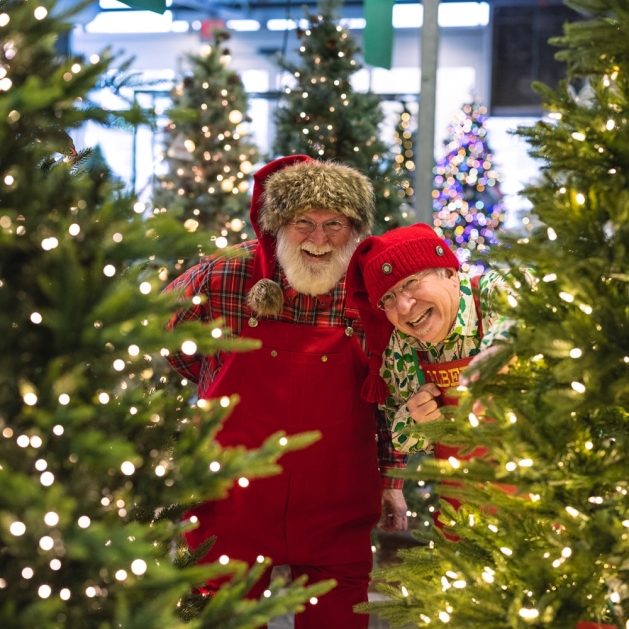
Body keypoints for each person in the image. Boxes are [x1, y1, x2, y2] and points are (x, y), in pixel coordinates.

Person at [165, 155, 407, 629]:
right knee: (223, 619)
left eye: (334, 224)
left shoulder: (370, 291)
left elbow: (390, 395)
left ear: (354, 229)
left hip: (335, 505)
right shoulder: (224, 274)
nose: (319, 239)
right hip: (231, 498)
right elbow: (168, 337)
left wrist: (393, 482)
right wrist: (213, 375)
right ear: (277, 225)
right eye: (304, 223)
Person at [346, 223, 513, 532]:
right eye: (387, 299)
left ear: (449, 272)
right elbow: (402, 437)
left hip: (550, 504)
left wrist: (498, 351)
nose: (404, 307)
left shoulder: (493, 293)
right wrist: (416, 419)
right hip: (464, 519)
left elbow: (529, 310)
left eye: (410, 283)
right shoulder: (401, 347)